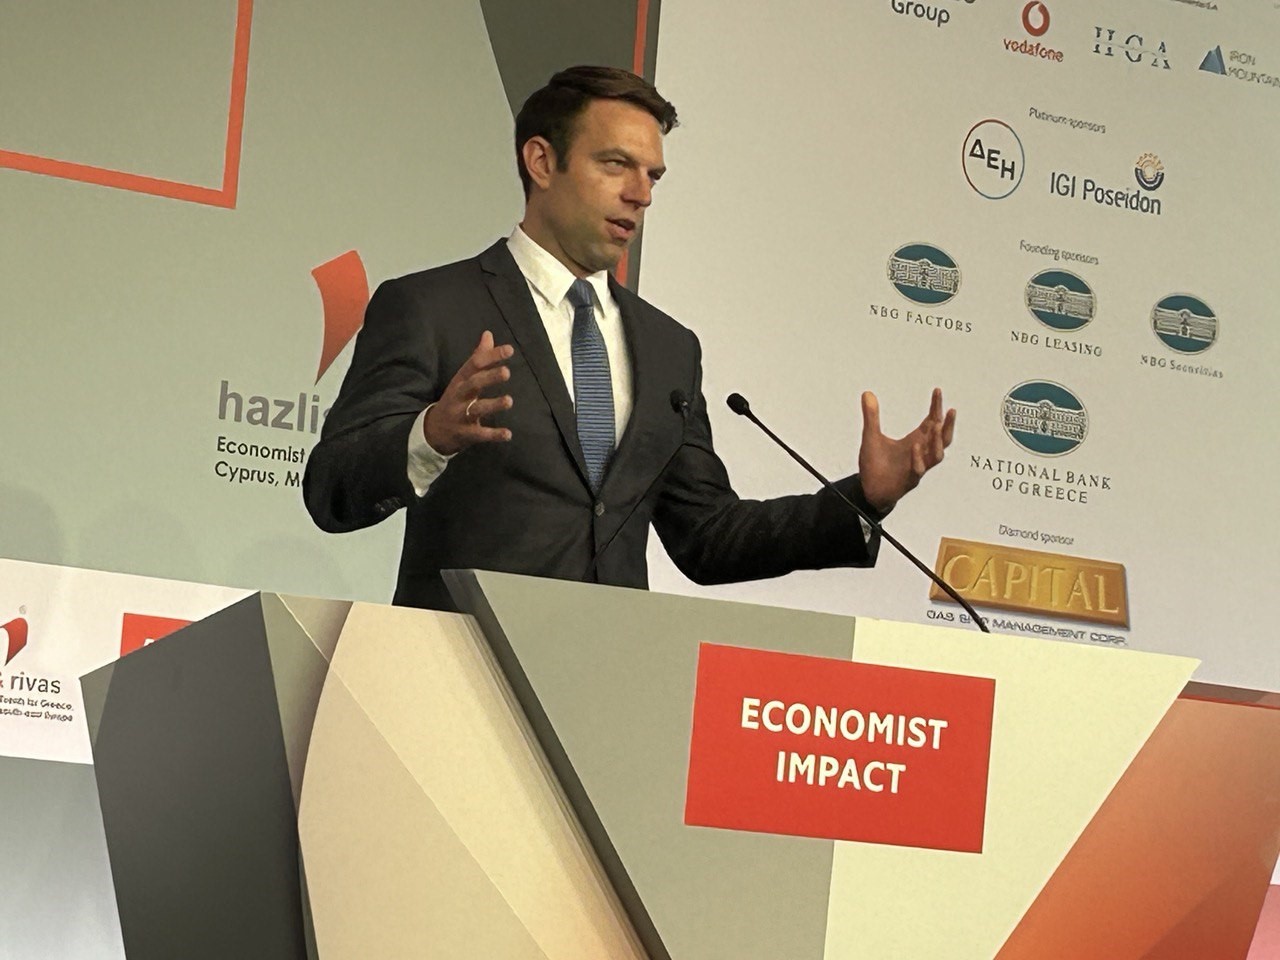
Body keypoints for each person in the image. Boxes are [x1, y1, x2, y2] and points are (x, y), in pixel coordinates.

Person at [303, 66, 955, 610]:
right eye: (616, 165)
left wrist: (863, 499)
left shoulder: (669, 348)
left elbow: (708, 537)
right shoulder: (430, 307)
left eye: (653, 176)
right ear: (542, 161)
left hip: (612, 683)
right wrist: (429, 437)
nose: (641, 194)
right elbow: (331, 490)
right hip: (455, 671)